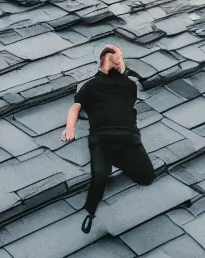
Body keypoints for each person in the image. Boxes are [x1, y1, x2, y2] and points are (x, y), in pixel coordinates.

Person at [61, 44, 155, 234]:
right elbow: (75, 107)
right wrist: (70, 127)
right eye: (116, 56)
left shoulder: (129, 85)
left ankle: (115, 158)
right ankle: (90, 211)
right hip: (102, 139)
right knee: (100, 177)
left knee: (147, 177)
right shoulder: (92, 85)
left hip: (127, 137)